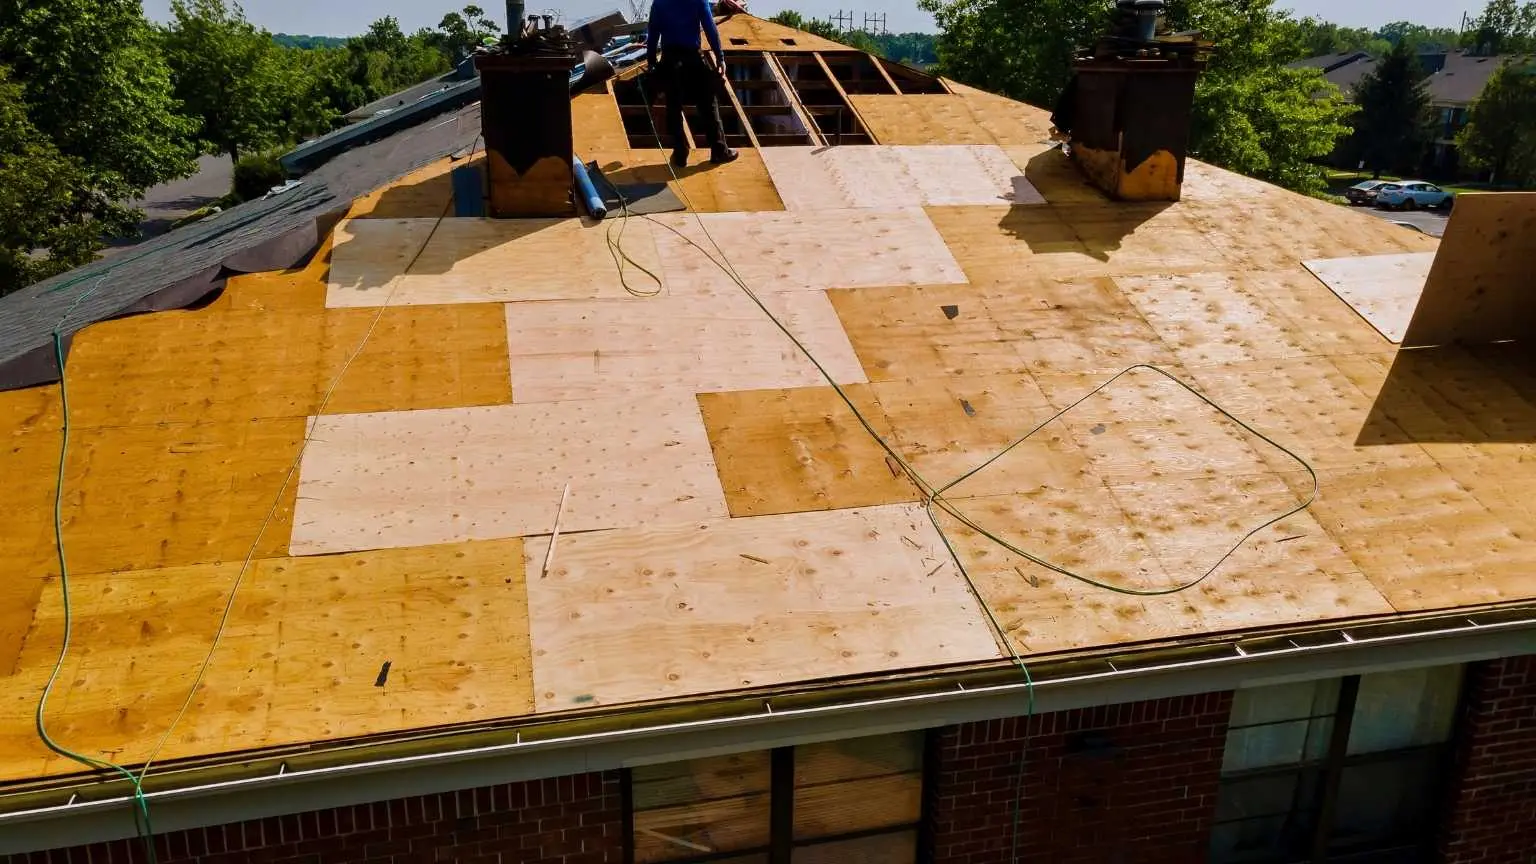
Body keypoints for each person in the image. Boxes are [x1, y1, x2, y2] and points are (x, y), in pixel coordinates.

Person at [645, 0, 739, 168]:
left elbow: (653, 34)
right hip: (693, 58)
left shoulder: (659, 3)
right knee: (708, 103)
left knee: (673, 107)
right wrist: (720, 57)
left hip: (670, 59)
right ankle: (719, 150)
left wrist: (651, 62)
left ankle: (680, 153)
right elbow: (710, 28)